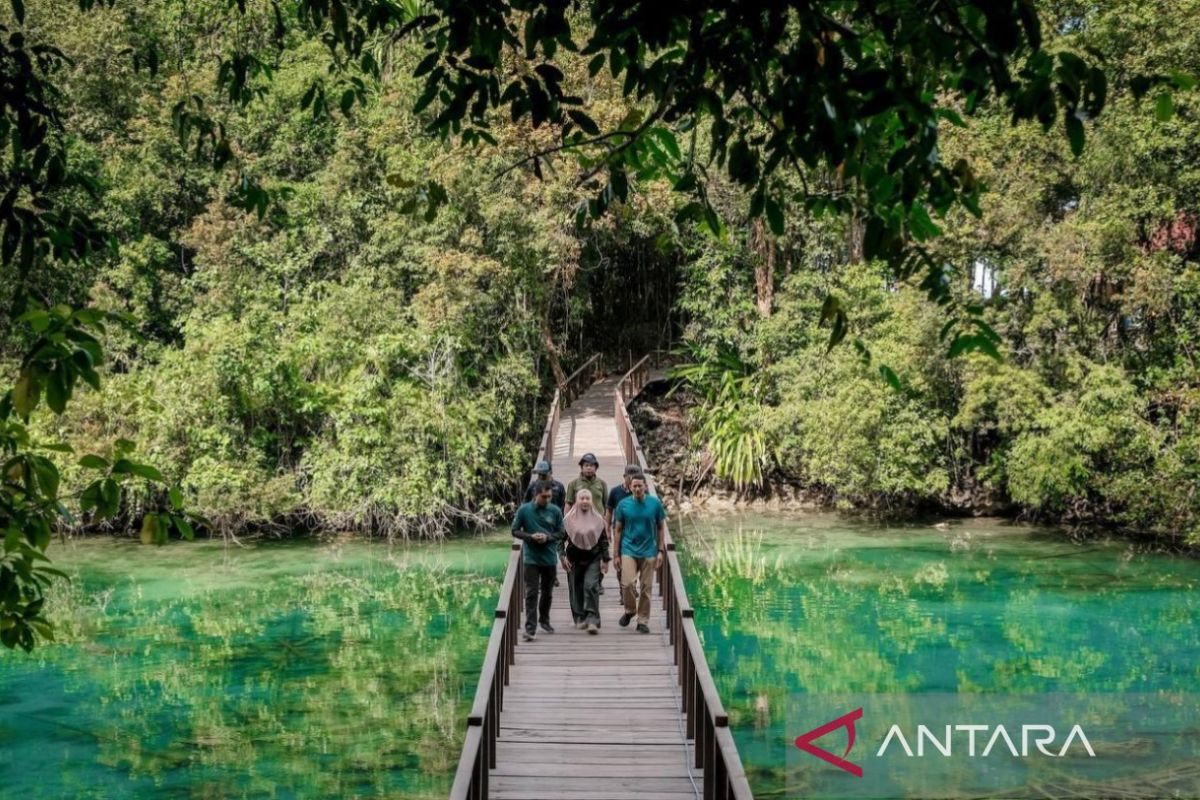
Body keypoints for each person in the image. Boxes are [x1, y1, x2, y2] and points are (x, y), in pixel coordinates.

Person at [511, 480, 566, 641]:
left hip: (549, 557)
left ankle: (544, 619)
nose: (547, 499)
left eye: (549, 496)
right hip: (531, 558)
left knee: (547, 593)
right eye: (544, 496)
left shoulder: (555, 511)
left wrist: (547, 537)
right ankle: (530, 628)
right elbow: (514, 531)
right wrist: (530, 537)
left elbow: (561, 533)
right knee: (531, 593)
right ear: (536, 495)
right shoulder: (524, 510)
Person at [612, 474, 667, 634]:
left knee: (646, 588)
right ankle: (630, 610)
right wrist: (616, 554)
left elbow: (661, 527)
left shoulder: (655, 504)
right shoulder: (623, 505)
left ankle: (643, 621)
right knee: (627, 584)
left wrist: (661, 551)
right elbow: (618, 529)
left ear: (645, 487)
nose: (637, 489)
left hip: (649, 550)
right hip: (628, 549)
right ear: (630, 487)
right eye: (634, 486)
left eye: (640, 486)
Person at [562, 489, 610, 634]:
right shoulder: (568, 520)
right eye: (581, 498)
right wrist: (561, 556)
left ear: (591, 501)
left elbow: (603, 541)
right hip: (573, 558)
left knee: (590, 586)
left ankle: (593, 619)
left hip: (593, 557)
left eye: (587, 499)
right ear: (577, 500)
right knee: (576, 588)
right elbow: (560, 539)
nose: (584, 501)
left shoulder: (598, 519)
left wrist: (605, 559)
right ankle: (579, 617)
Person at [566, 453, 609, 593]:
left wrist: (607, 523)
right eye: (586, 465)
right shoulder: (574, 484)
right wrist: (566, 523)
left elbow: (606, 505)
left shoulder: (601, 484)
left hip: (598, 524)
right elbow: (568, 504)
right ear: (581, 467)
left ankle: (598, 580)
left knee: (600, 550)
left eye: (591, 465)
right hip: (579, 524)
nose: (589, 468)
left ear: (596, 467)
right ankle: (583, 579)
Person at [606, 464, 642, 592]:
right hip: (619, 531)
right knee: (620, 559)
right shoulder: (615, 492)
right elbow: (609, 511)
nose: (632, 478)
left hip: (637, 531)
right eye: (629, 476)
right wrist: (607, 528)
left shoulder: (643, 492)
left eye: (636, 476)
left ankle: (632, 585)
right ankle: (623, 589)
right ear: (624, 477)